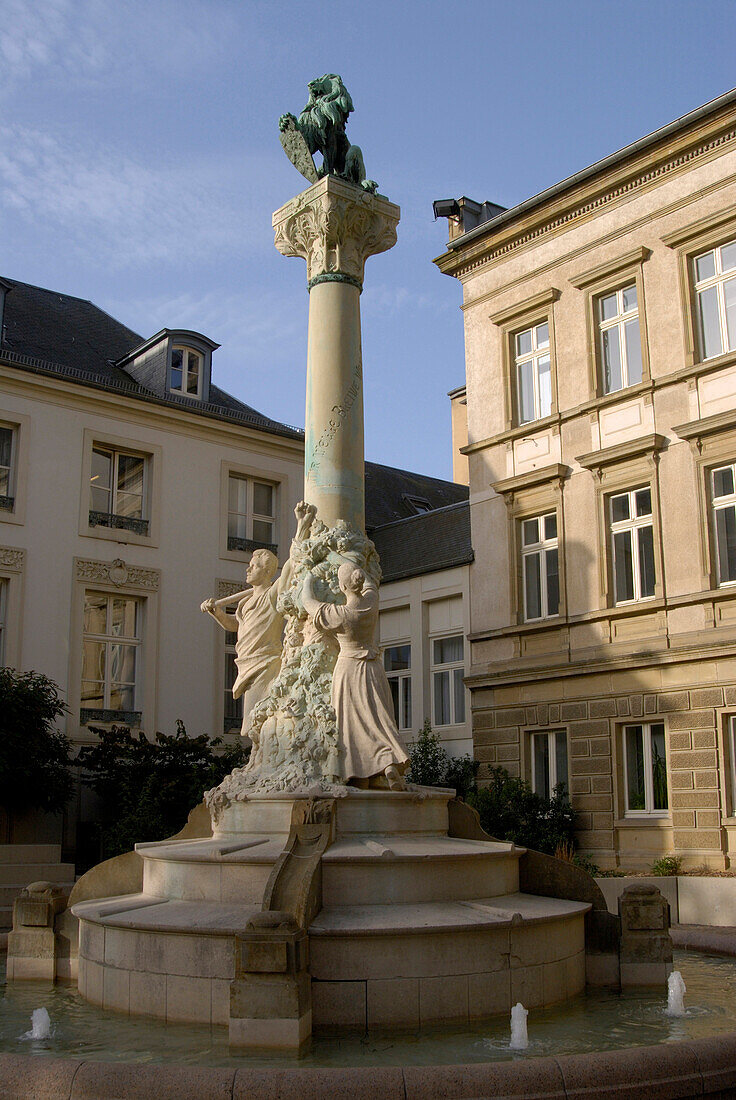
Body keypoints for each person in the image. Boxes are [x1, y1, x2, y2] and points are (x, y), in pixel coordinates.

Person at [200, 501, 315, 735]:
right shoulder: (244, 602)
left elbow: (292, 566)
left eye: (253, 566)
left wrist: (301, 526)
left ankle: (261, 758)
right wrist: (217, 612)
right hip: (247, 662)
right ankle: (261, 757)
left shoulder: (273, 594)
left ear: (266, 571)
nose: (247, 570)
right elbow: (234, 626)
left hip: (265, 662)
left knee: (257, 720)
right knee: (257, 719)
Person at [301, 562, 409, 789]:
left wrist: (309, 578)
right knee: (377, 720)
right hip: (373, 669)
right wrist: (353, 567)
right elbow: (370, 584)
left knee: (351, 725)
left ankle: (358, 772)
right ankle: (387, 761)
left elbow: (308, 603)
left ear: (341, 586)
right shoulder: (370, 602)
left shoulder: (341, 614)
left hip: (349, 670)